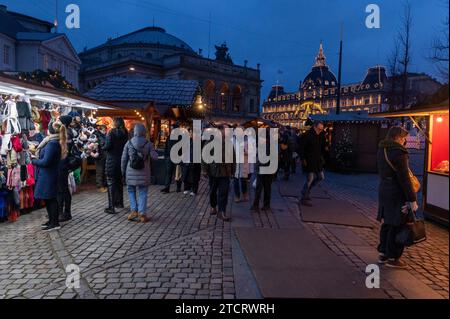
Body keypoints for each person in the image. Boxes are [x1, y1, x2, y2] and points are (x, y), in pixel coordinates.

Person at [377, 126, 418, 269]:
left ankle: (383, 253)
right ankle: (393, 257)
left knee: (387, 222)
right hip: (396, 192)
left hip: (384, 190)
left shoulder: (382, 149)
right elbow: (404, 178)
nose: (405, 141)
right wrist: (412, 199)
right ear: (397, 138)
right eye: (404, 138)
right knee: (398, 223)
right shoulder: (399, 152)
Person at [34, 119, 67, 231]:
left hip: (49, 174)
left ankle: (54, 222)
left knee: (51, 198)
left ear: (50, 130)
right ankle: (52, 220)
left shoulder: (52, 143)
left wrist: (33, 161)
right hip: (49, 174)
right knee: (49, 198)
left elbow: (46, 161)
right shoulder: (53, 142)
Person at [121, 124, 158, 223]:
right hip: (144, 172)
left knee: (131, 191)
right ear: (144, 132)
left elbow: (124, 159)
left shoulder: (128, 143)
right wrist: (153, 150)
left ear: (135, 131)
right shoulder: (148, 143)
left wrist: (122, 172)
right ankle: (142, 214)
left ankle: (134, 211)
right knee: (143, 192)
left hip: (130, 171)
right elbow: (155, 157)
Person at [203, 124, 234, 221]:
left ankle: (222, 211)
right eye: (226, 130)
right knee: (213, 191)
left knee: (224, 192)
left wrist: (233, 170)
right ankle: (213, 206)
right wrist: (204, 170)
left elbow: (233, 158)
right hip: (213, 171)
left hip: (225, 172)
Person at [57, 115, 80, 223]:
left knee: (63, 190)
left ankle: (65, 212)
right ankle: (61, 212)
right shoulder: (68, 132)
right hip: (64, 164)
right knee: (62, 189)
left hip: (63, 164)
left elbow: (64, 150)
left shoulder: (67, 133)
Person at [103, 117, 128, 214]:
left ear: (115, 123)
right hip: (122, 160)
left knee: (111, 182)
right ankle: (119, 203)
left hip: (112, 160)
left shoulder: (112, 132)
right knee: (119, 182)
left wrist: (102, 145)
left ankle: (111, 206)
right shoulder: (125, 132)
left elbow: (107, 146)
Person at [299, 121, 326, 206]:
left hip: (317, 161)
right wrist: (303, 159)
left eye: (321, 129)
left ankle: (306, 191)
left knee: (321, 177)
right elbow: (301, 148)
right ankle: (304, 197)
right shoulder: (307, 135)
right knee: (309, 179)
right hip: (309, 161)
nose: (320, 131)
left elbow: (322, 147)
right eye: (319, 129)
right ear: (315, 127)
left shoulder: (320, 135)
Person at [250, 131, 274, 212]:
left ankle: (256, 205)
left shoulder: (265, 146)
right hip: (268, 170)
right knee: (267, 188)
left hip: (263, 170)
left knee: (259, 188)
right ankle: (266, 205)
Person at [161, 122, 181, 193]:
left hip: (174, 157)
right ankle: (168, 188)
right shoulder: (171, 136)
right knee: (172, 173)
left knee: (175, 173)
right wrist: (166, 156)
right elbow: (166, 146)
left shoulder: (179, 137)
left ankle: (175, 188)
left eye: (173, 128)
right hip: (170, 157)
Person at [233, 130, 250, 203]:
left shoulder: (247, 141)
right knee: (235, 181)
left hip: (243, 163)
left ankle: (245, 194)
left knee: (243, 181)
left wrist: (245, 151)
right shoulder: (232, 140)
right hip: (235, 164)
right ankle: (237, 196)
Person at [182, 130, 201, 196]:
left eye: (191, 133)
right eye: (190, 133)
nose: (190, 134)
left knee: (194, 177)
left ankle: (194, 190)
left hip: (195, 162)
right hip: (187, 161)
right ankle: (186, 189)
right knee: (186, 175)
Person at [95, 125, 108, 193]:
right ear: (99, 130)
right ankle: (100, 186)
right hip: (99, 156)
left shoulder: (105, 136)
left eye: (105, 130)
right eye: (103, 130)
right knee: (100, 172)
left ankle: (104, 185)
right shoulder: (97, 136)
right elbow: (98, 146)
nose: (105, 131)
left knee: (105, 171)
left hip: (105, 156)